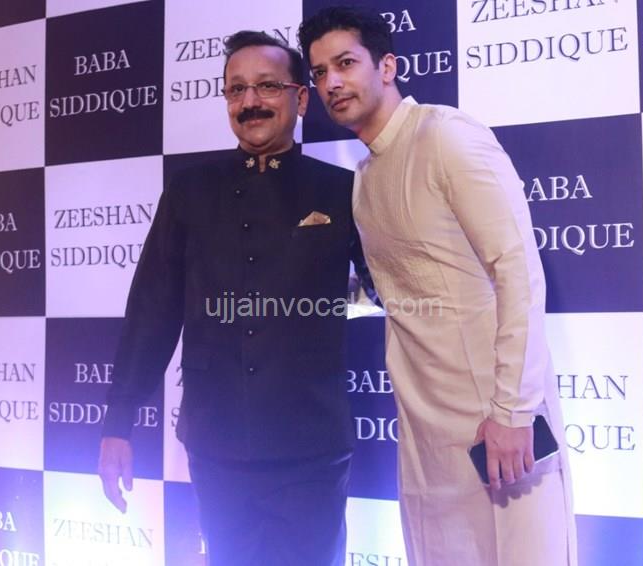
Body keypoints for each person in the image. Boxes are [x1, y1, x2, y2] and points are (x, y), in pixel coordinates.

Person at [300, 7, 577, 566]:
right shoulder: (365, 176)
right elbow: (400, 289)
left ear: (387, 67)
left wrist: (513, 412)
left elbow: (517, 270)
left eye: (346, 63)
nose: (331, 82)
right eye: (320, 71)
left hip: (496, 423)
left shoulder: (446, 134)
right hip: (425, 434)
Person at [97, 30, 374, 566]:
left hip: (311, 442)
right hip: (215, 439)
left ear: (300, 98)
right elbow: (152, 310)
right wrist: (118, 422)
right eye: (236, 89)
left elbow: (390, 286)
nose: (250, 102)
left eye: (267, 86)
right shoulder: (189, 191)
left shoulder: (341, 190)